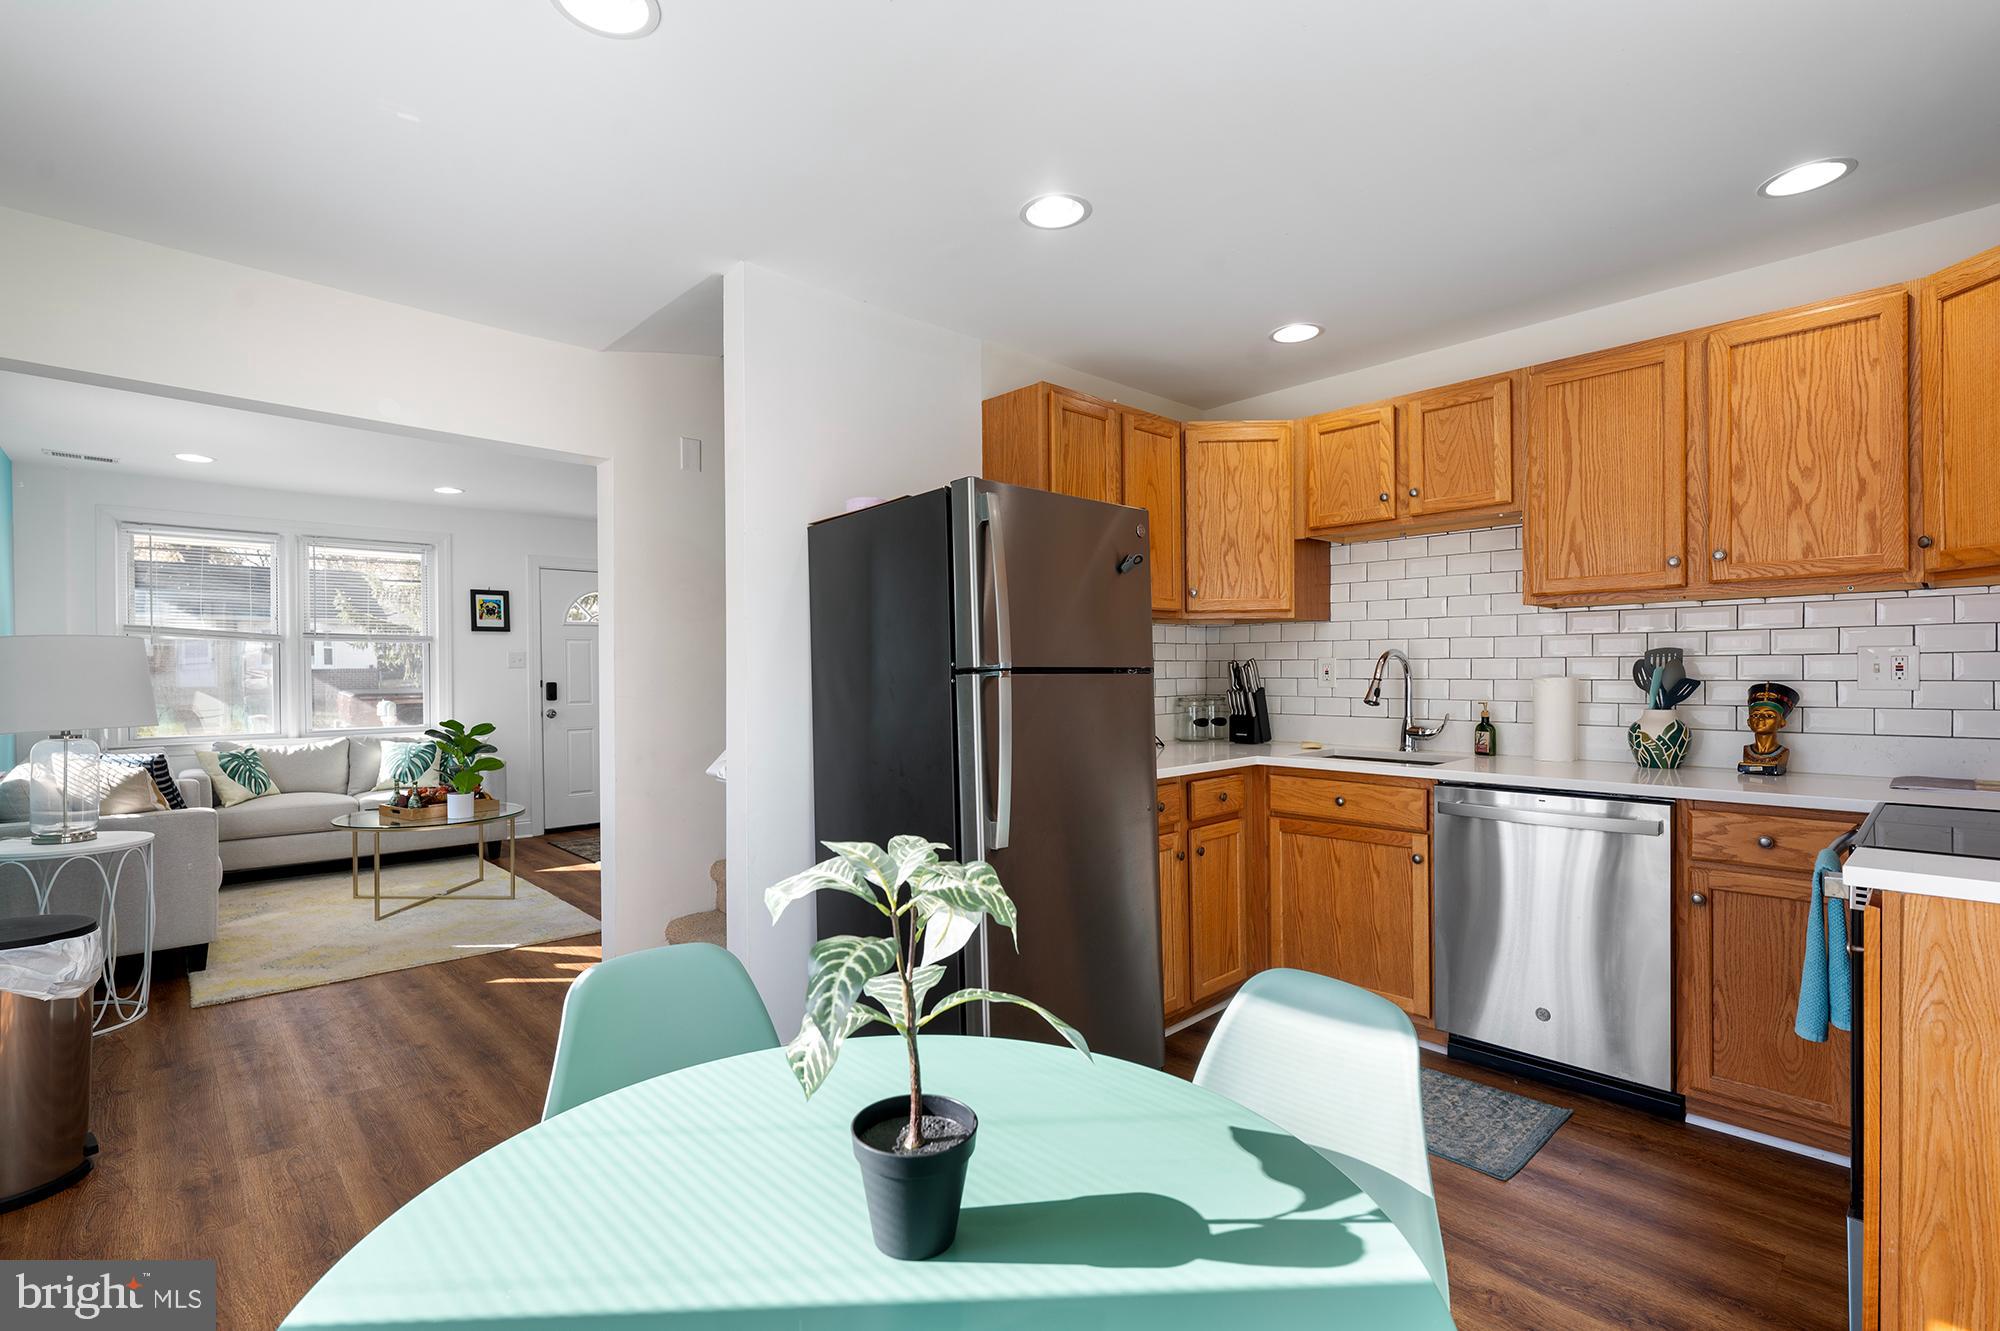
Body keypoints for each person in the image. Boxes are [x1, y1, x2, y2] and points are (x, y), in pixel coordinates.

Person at [1738, 681, 1801, 776]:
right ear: (1748, 722)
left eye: (1769, 715)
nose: (1761, 719)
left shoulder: (1783, 752)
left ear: (1782, 722)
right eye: (1755, 715)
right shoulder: (1747, 750)